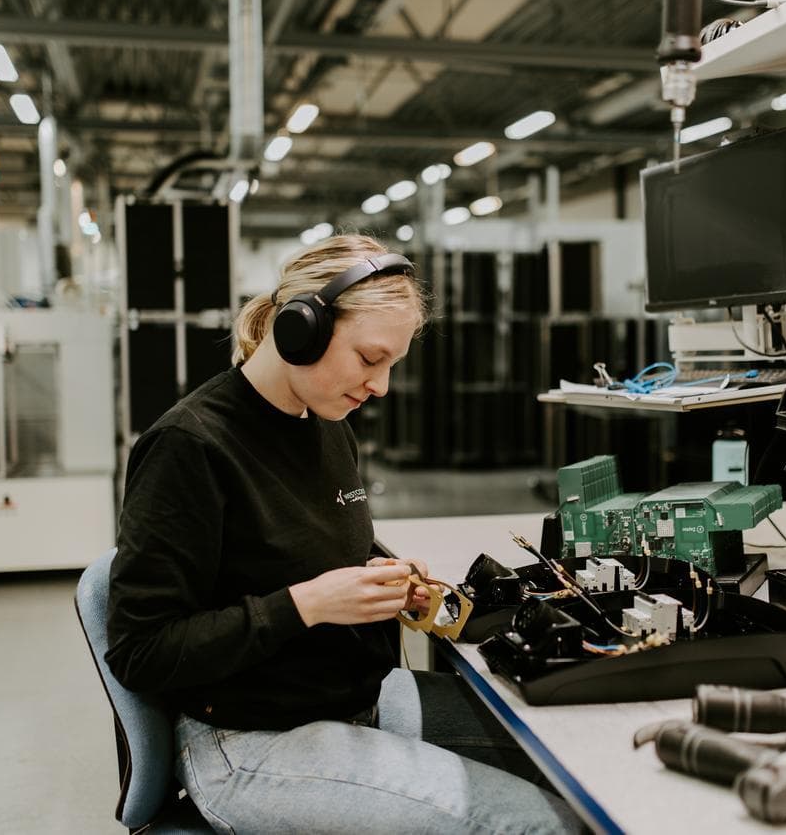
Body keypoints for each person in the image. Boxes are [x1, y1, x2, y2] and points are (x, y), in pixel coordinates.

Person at [105, 234, 583, 834]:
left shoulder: (327, 422)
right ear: (298, 329)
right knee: (542, 824)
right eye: (369, 359)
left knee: (572, 763)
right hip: (250, 744)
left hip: (358, 703)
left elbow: (309, 560)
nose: (380, 387)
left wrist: (380, 588)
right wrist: (306, 604)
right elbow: (139, 651)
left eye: (391, 366)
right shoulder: (191, 446)